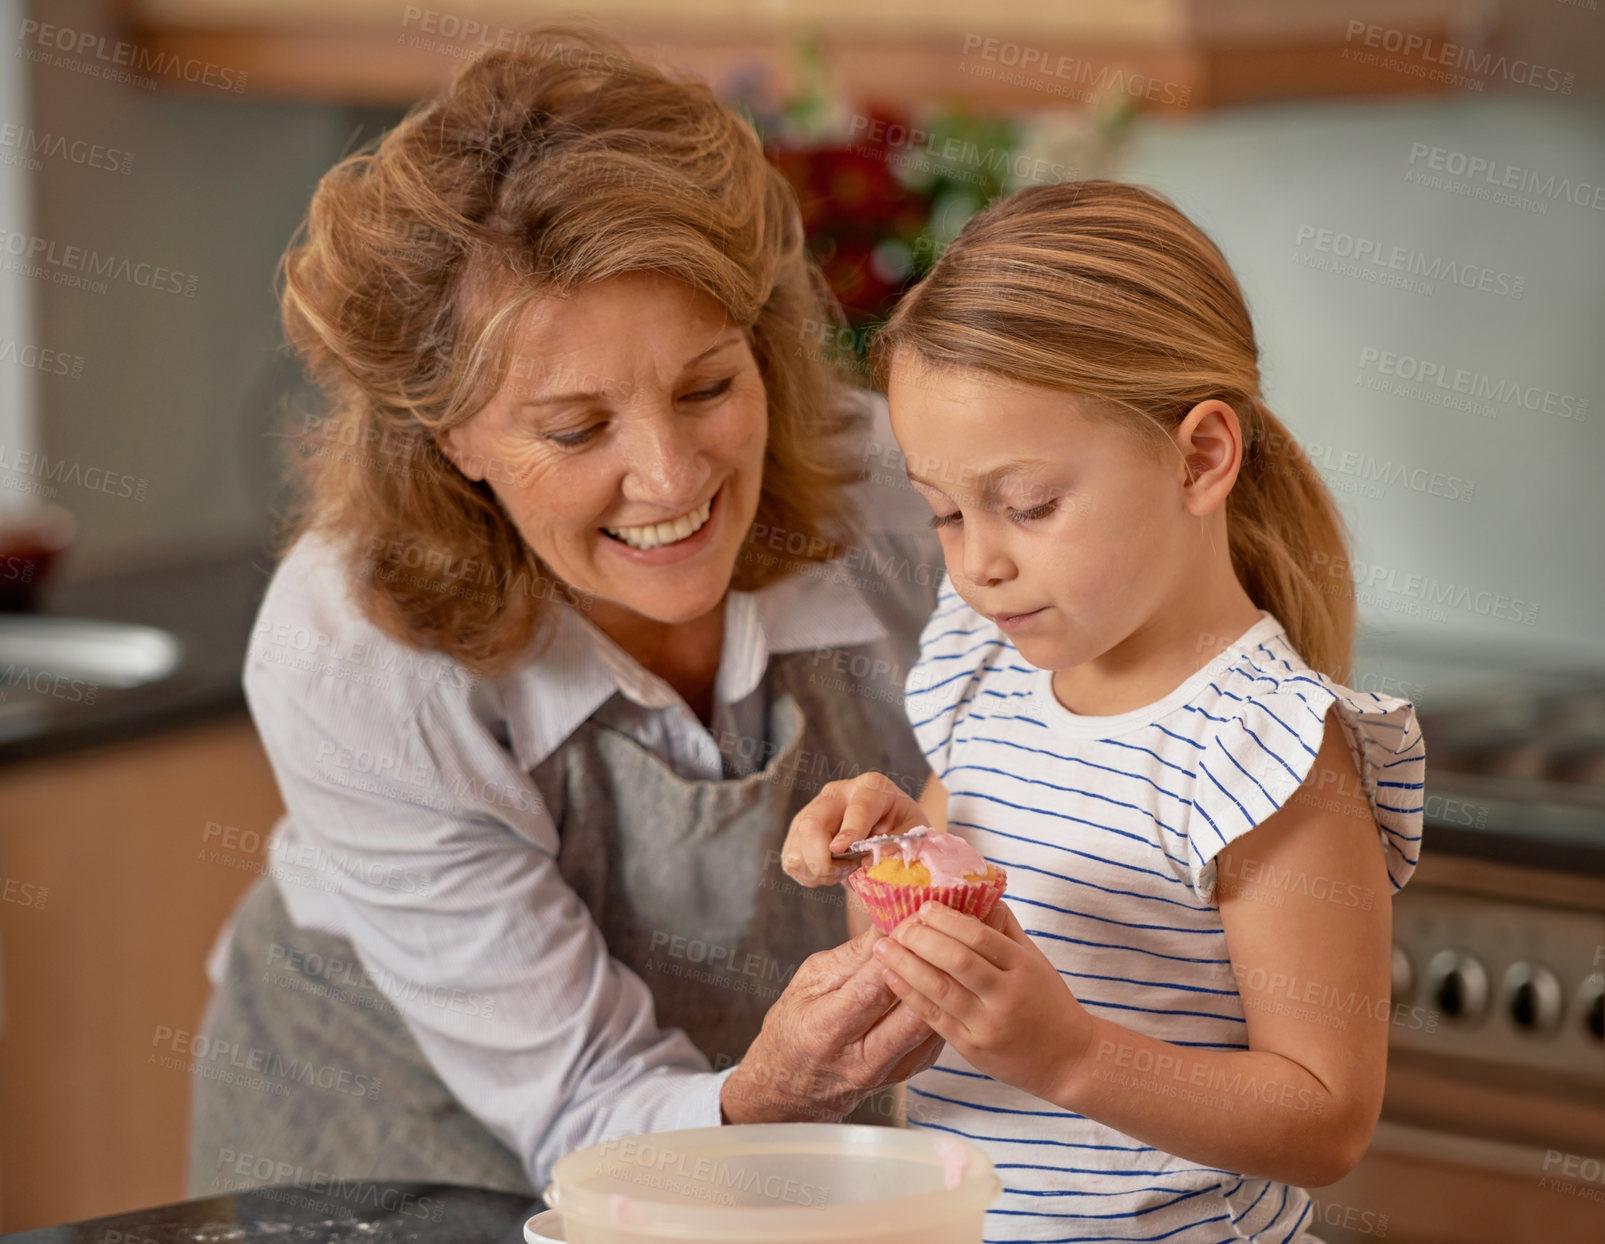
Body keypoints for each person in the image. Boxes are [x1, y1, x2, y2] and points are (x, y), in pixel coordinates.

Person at [187, 25, 947, 1199]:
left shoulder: (903, 499)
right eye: (575, 428)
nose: (672, 477)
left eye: (708, 385)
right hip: (393, 1126)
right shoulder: (352, 654)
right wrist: (775, 1088)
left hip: (764, 1122)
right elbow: (585, 1098)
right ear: (449, 436)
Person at [783, 180, 1426, 1241]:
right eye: (944, 511)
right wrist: (892, 858)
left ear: (1201, 456)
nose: (980, 561)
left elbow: (1325, 1116)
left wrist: (1072, 1052)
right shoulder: (988, 670)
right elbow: (928, 950)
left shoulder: (1266, 747)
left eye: (1028, 504)